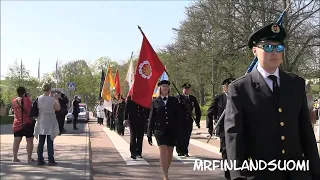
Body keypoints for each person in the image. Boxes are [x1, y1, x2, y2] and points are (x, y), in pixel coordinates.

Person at [224, 23, 320, 179]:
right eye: (267, 47)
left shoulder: (296, 84)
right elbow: (234, 137)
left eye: (279, 48)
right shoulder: (240, 88)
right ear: (255, 51)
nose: (274, 52)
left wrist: (316, 171)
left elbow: (306, 132)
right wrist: (237, 175)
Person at [147, 80, 180, 180]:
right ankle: (166, 175)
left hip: (171, 130)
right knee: (163, 150)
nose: (165, 88)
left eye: (166, 86)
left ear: (169, 89)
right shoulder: (155, 101)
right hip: (159, 130)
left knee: (170, 152)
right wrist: (149, 132)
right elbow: (151, 117)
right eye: (163, 86)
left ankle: (166, 171)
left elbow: (178, 116)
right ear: (160, 88)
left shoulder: (174, 100)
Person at [206, 77, 234, 180]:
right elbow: (210, 112)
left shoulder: (238, 97)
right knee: (226, 152)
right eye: (229, 86)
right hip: (223, 129)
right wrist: (210, 127)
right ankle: (228, 174)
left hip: (236, 129)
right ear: (224, 87)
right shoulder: (219, 98)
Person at [34, 83, 60, 166]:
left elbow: (36, 108)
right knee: (50, 141)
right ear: (50, 90)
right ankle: (51, 160)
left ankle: (39, 159)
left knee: (41, 142)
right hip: (50, 121)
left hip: (41, 120)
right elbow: (58, 108)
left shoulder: (38, 98)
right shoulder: (52, 99)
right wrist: (56, 99)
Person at [176, 83, 201, 157]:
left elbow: (197, 110)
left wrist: (197, 120)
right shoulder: (178, 98)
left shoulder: (192, 98)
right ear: (182, 89)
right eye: (185, 89)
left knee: (187, 135)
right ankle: (179, 150)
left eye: (188, 89)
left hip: (188, 120)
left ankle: (185, 150)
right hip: (179, 120)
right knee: (180, 136)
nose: (186, 90)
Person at [11, 87, 35, 163]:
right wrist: (28, 97)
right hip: (27, 123)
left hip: (17, 123)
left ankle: (15, 158)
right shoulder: (27, 99)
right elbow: (30, 110)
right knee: (29, 141)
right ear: (24, 92)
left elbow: (13, 111)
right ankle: (29, 158)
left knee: (16, 141)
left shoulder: (14, 101)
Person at [124, 95, 150, 159]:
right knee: (133, 136)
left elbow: (147, 107)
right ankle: (133, 153)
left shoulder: (144, 97)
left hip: (141, 119)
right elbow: (126, 109)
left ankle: (139, 152)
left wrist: (147, 117)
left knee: (140, 136)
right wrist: (125, 118)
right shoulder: (130, 97)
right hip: (132, 120)